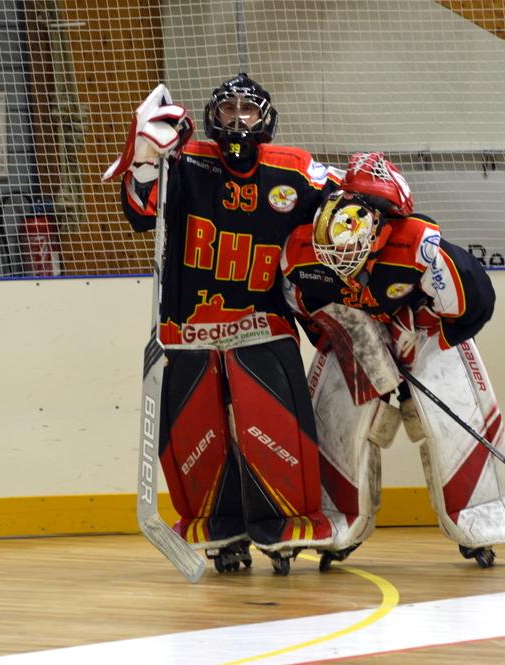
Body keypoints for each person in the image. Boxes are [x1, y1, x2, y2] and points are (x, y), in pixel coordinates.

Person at [104, 73, 343, 574]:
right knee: (195, 434)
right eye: (228, 109)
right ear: (213, 117)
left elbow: (348, 207)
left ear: (266, 119)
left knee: (276, 426)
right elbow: (140, 212)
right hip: (190, 329)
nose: (237, 119)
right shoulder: (185, 161)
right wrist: (146, 157)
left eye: (248, 110)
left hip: (261, 324)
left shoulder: (295, 169)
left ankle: (288, 519)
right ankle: (215, 523)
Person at [281, 152, 505, 569]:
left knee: (448, 421)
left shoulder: (421, 247)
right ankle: (337, 521)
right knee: (340, 424)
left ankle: (481, 516)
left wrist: (423, 332)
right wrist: (350, 335)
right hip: (356, 331)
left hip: (424, 330)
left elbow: (474, 302)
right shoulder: (299, 254)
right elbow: (306, 309)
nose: (343, 268)